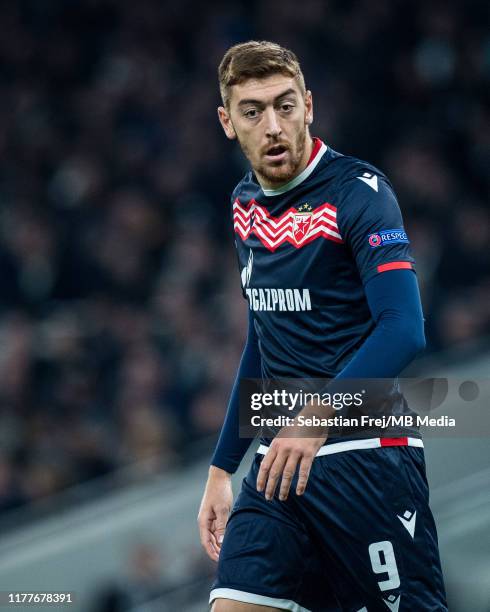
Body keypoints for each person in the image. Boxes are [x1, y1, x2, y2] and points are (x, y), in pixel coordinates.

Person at [198, 40, 447, 612]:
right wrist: (220, 467)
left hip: (366, 455)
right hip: (278, 463)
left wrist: (316, 420)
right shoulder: (243, 205)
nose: (274, 125)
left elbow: (404, 328)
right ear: (227, 122)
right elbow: (264, 337)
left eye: (286, 105)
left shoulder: (360, 194)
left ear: (309, 105)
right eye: (253, 111)